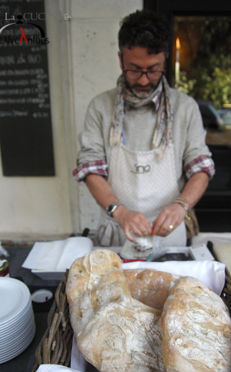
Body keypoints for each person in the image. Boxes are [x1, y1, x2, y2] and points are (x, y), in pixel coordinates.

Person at [73, 10, 215, 247]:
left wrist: (181, 205)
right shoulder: (100, 108)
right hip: (118, 228)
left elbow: (201, 168)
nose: (143, 80)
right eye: (134, 69)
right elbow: (90, 169)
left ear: (165, 60)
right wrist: (119, 211)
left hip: (169, 231)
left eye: (152, 69)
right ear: (120, 60)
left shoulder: (185, 108)